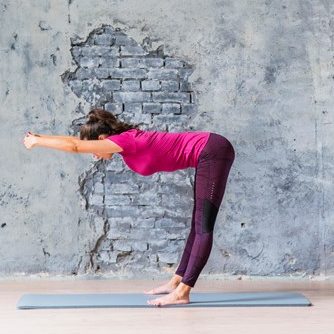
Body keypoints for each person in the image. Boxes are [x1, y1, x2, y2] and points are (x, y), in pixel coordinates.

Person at [23, 108, 235, 306]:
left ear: (102, 139)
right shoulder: (124, 143)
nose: (94, 154)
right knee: (197, 224)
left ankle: (182, 293)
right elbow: (76, 142)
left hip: (213, 151)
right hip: (208, 152)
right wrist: (40, 137)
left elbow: (75, 147)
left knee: (203, 226)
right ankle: (175, 283)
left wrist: (37, 142)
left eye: (94, 149)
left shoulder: (125, 141)